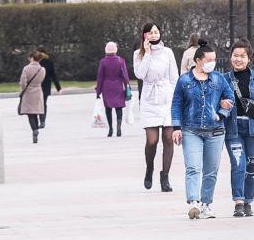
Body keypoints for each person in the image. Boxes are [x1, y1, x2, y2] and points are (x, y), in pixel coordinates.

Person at [170, 40, 234, 220]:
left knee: (211, 170)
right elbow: (176, 104)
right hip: (191, 130)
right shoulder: (184, 80)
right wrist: (176, 127)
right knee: (193, 167)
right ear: (198, 60)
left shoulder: (219, 79)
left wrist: (221, 113)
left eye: (214, 59)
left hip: (215, 131)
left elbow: (230, 99)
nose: (212, 63)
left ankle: (207, 204)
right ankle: (194, 202)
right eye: (208, 60)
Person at [224, 38, 254, 217]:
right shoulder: (224, 79)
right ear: (230, 57)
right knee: (238, 163)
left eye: (242, 56)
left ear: (249, 58)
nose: (238, 59)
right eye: (235, 55)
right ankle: (238, 201)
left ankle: (248, 202)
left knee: (252, 165)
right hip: (233, 128)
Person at [133, 22, 179, 191]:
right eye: (150, 32)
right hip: (149, 98)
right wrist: (147, 54)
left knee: (168, 138)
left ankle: (165, 176)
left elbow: (174, 76)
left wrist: (176, 99)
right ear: (144, 35)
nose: (153, 35)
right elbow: (140, 74)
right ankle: (149, 168)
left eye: (156, 32)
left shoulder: (168, 52)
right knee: (152, 141)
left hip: (167, 98)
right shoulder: (138, 54)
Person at [96, 42, 131, 138]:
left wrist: (98, 90)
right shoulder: (120, 61)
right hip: (118, 87)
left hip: (106, 88)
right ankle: (119, 126)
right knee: (119, 108)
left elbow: (100, 77)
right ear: (115, 50)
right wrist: (127, 85)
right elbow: (125, 75)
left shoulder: (103, 62)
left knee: (108, 108)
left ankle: (111, 129)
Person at [19, 50, 47, 144]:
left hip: (28, 93)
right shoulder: (42, 69)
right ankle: (39, 124)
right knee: (36, 111)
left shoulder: (26, 68)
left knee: (30, 114)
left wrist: (23, 89)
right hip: (38, 91)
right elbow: (41, 80)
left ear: (31, 58)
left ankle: (34, 130)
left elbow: (23, 82)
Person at [36, 46, 62, 129]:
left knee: (42, 103)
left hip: (44, 86)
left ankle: (42, 121)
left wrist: (58, 88)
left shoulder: (48, 62)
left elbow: (53, 75)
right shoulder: (35, 62)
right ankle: (40, 121)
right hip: (37, 86)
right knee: (39, 104)